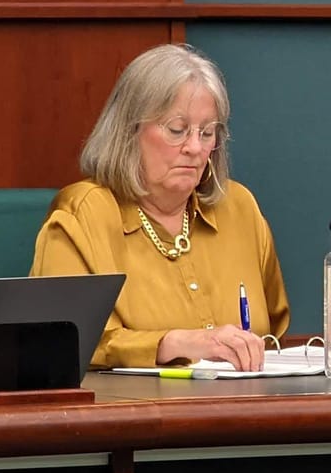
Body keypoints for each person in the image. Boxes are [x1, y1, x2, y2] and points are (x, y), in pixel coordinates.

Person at [31, 44, 290, 370]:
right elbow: (64, 339)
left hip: (244, 398)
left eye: (207, 133)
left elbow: (274, 332)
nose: (195, 147)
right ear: (129, 131)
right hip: (127, 401)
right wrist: (172, 344)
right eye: (176, 130)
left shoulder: (239, 207)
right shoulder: (83, 214)